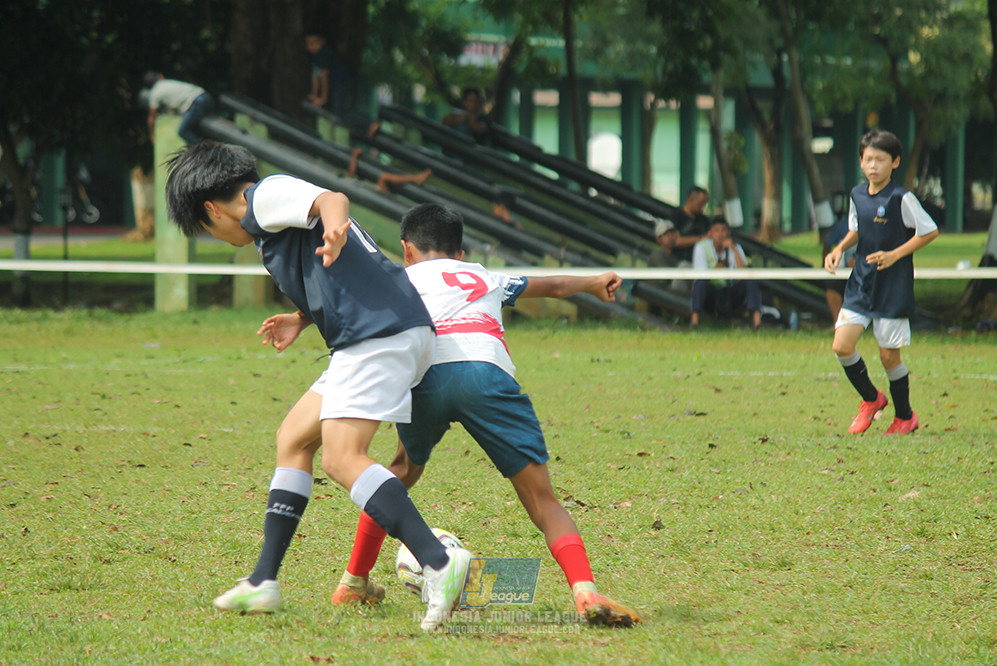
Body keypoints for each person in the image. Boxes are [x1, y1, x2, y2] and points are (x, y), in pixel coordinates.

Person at [163, 143, 472, 632]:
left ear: (212, 208)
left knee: (341, 457)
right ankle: (264, 580)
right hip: (379, 332)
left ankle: (437, 560)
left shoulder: (264, 197)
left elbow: (332, 199)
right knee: (293, 438)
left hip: (378, 334)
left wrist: (333, 223)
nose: (217, 236)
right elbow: (343, 275)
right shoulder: (269, 227)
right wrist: (302, 319)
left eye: (207, 229)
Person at [325, 203, 641, 627]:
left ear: (406, 250)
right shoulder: (482, 274)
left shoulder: (399, 275)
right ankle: (585, 592)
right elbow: (554, 285)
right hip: (485, 374)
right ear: (459, 253)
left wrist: (298, 318)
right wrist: (594, 281)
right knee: (542, 500)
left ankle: (353, 582)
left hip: (425, 377)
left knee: (394, 474)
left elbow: (347, 305)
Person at [823, 129, 938, 435]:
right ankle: (872, 399)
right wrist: (838, 249)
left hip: (893, 286)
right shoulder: (857, 195)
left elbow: (928, 231)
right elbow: (857, 229)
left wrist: (894, 254)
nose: (873, 165)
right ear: (861, 162)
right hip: (861, 282)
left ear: (895, 162)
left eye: (880, 159)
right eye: (868, 159)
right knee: (841, 345)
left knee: (889, 356)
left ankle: (905, 417)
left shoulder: (902, 198)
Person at [690, 218, 762, 329]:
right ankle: (694, 323)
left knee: (750, 281)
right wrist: (714, 271)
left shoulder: (735, 247)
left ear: (728, 232)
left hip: (730, 291)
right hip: (712, 292)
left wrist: (734, 249)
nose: (720, 235)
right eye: (716, 231)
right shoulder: (702, 247)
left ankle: (757, 324)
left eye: (723, 230)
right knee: (699, 284)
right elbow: (700, 275)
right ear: (710, 233)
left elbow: (743, 274)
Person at [143, 72, 214, 145]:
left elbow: (151, 118)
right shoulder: (168, 82)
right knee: (196, 128)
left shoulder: (154, 93)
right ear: (160, 76)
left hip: (195, 104)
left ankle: (204, 151)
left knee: (182, 131)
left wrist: (152, 136)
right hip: (205, 96)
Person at [305, 33, 352, 117]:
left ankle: (369, 123)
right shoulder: (315, 56)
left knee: (340, 112)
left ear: (322, 42)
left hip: (340, 83)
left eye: (315, 43)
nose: (312, 46)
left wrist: (323, 98)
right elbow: (315, 76)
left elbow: (324, 78)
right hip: (334, 84)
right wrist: (314, 95)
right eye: (309, 43)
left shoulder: (324, 54)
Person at [821, 214, 856, 323]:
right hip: (844, 272)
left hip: (867, 273)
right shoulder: (842, 225)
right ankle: (838, 324)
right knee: (832, 289)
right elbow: (827, 244)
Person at [670, 186, 710, 263]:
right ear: (691, 198)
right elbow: (675, 241)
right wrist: (701, 238)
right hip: (681, 260)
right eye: (701, 203)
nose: (703, 207)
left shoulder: (704, 220)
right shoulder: (676, 216)